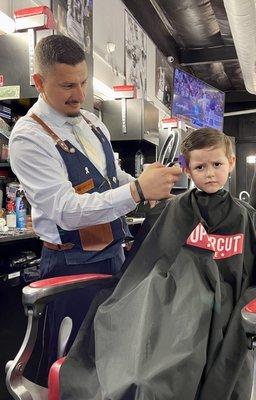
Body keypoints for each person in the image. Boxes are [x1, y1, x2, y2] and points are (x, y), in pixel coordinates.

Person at [9, 34, 181, 371]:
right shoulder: (29, 137)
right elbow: (65, 210)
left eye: (83, 82)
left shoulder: (93, 123)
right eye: (67, 85)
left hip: (114, 256)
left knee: (110, 357)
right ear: (39, 82)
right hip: (71, 265)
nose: (79, 94)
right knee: (71, 363)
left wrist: (153, 186)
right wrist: (137, 192)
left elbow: (112, 177)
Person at [61, 128, 256, 400]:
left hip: (224, 311)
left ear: (231, 163)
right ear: (187, 169)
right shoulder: (171, 209)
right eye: (200, 166)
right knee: (144, 375)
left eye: (217, 164)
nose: (210, 173)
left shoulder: (246, 218)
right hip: (168, 307)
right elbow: (145, 267)